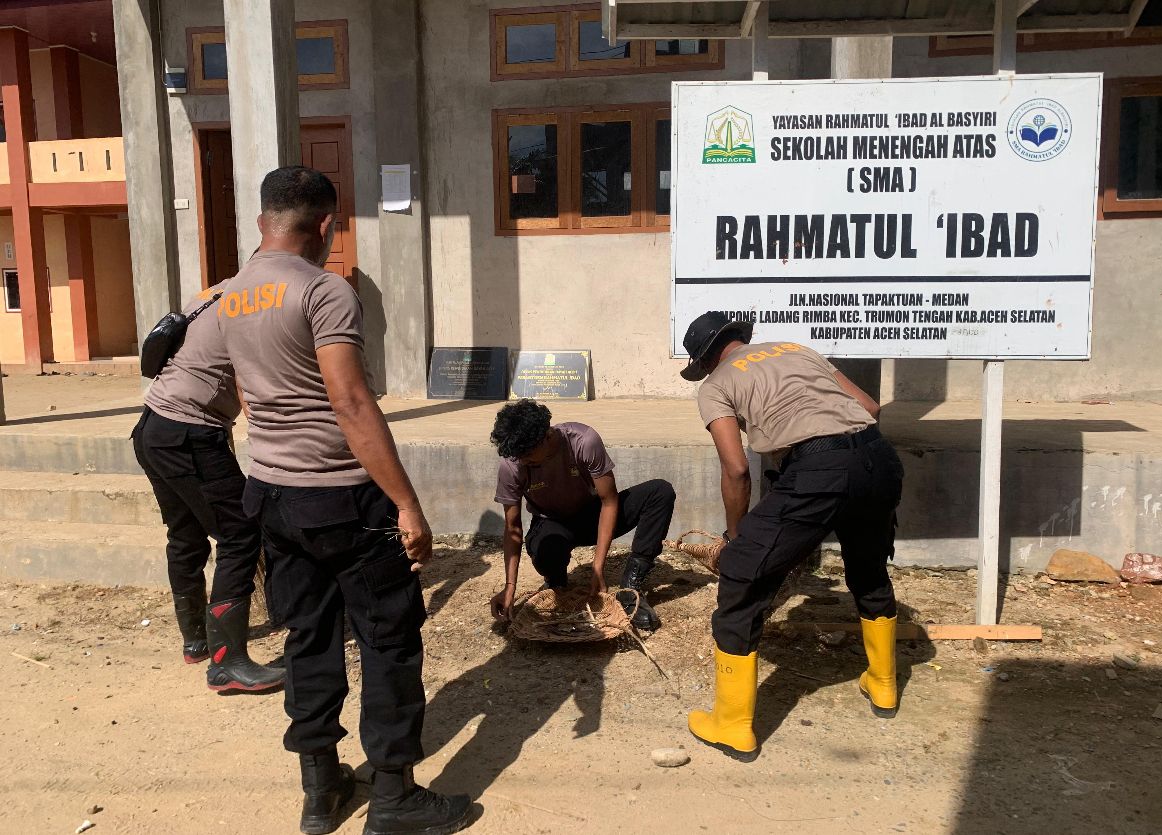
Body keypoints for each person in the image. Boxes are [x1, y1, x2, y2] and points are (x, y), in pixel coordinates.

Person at [218, 166, 471, 835]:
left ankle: (320, 786)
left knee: (309, 635)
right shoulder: (324, 290)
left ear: (262, 221)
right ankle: (394, 795)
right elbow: (350, 400)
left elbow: (242, 390)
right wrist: (406, 504)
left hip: (270, 492)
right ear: (327, 225)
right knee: (389, 637)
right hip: (343, 498)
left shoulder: (228, 293)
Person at [679, 312, 904, 762]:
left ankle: (732, 724)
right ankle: (883, 684)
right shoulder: (798, 349)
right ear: (741, 337)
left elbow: (736, 467)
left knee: (741, 579)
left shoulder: (716, 385)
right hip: (878, 461)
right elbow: (870, 407)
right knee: (867, 568)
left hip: (819, 469)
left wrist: (736, 538)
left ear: (704, 362)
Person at [133, 283, 284, 694]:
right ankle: (226, 664)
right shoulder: (255, 302)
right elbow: (247, 384)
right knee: (241, 532)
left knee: (185, 535)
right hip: (190, 434)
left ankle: (196, 640)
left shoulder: (212, 293)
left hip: (153, 427)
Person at [488, 400, 676, 631]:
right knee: (548, 550)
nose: (522, 461)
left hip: (593, 516)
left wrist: (598, 568)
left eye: (527, 455)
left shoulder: (584, 441)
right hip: (551, 523)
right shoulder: (512, 463)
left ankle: (631, 589)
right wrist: (510, 586)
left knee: (660, 492)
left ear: (547, 436)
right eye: (518, 456)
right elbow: (513, 529)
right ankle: (556, 582)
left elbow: (609, 500)